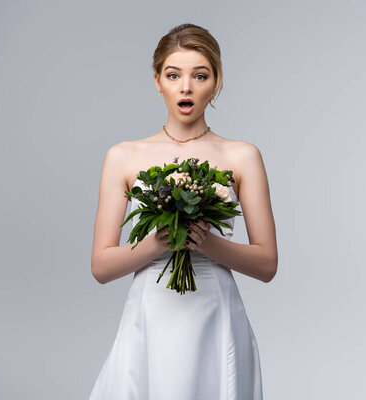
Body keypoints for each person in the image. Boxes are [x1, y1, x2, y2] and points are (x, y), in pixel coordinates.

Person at [88, 23, 277, 399]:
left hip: (216, 311)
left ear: (216, 81)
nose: (186, 87)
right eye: (173, 75)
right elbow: (101, 267)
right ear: (158, 81)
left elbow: (267, 264)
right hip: (151, 312)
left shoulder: (242, 156)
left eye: (200, 75)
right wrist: (158, 243)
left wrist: (206, 243)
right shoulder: (124, 156)